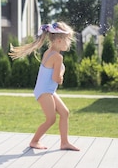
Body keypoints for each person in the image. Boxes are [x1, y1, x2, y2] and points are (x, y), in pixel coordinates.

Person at [9, 22, 80, 151]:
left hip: (47, 90)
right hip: (44, 92)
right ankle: (34, 141)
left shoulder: (49, 52)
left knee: (64, 113)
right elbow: (56, 79)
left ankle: (64, 142)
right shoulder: (57, 57)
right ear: (59, 40)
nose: (69, 43)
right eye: (68, 40)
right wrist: (62, 73)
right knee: (51, 119)